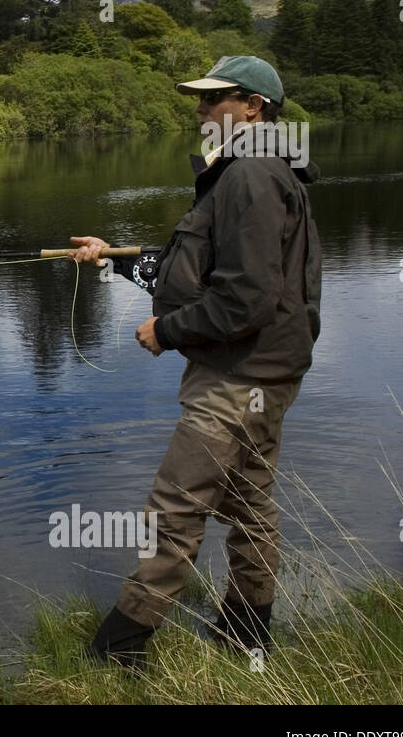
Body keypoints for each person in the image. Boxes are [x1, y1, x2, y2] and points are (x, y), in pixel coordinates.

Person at [69, 55, 322, 669]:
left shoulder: (251, 176)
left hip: (240, 376)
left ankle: (121, 646)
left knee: (176, 505)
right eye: (200, 100)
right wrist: (112, 258)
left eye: (215, 100)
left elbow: (246, 298)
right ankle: (246, 635)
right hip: (260, 373)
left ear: (253, 105)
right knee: (248, 501)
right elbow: (196, 270)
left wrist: (168, 330)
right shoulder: (255, 170)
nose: (201, 110)